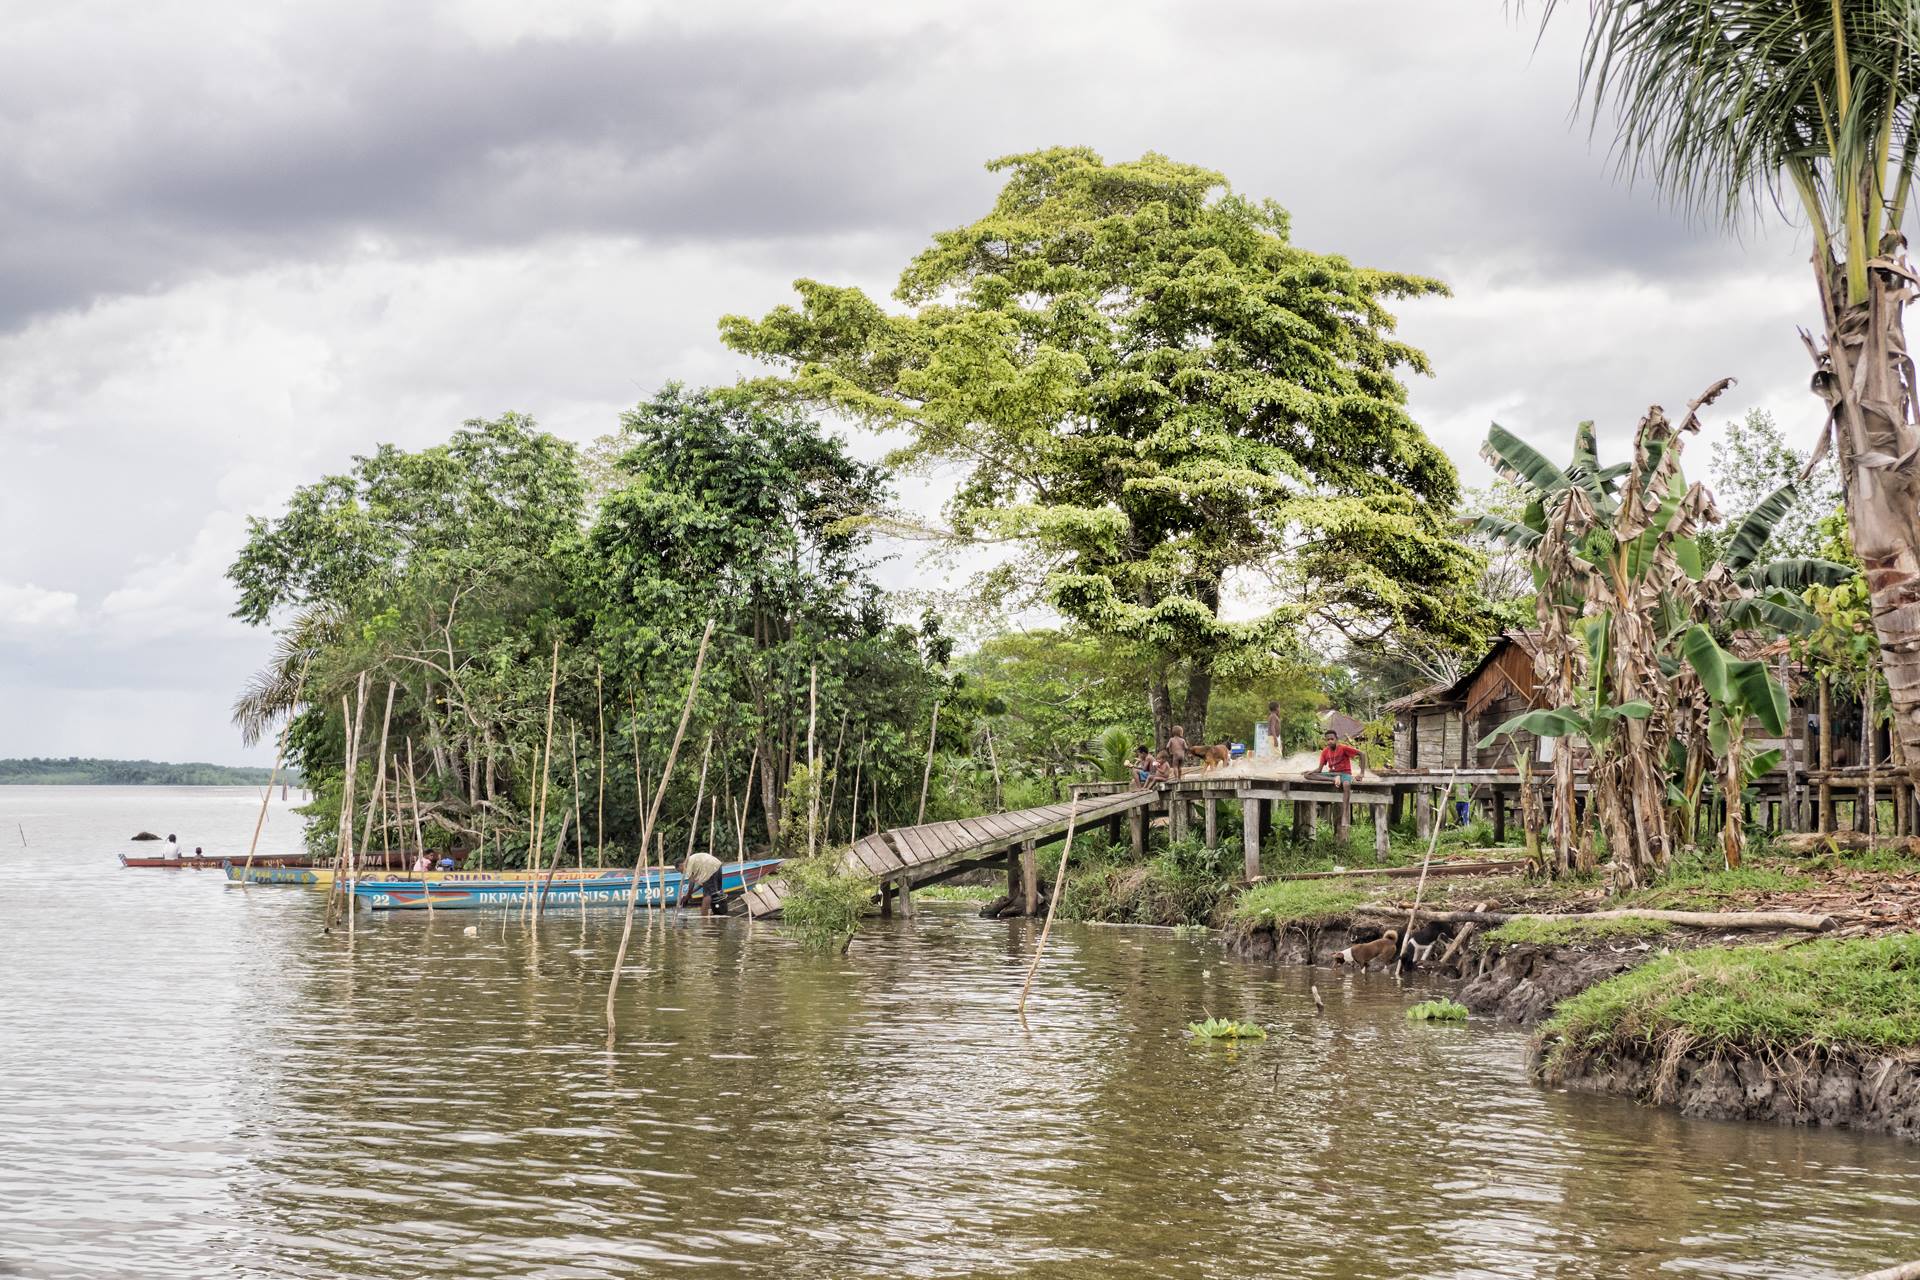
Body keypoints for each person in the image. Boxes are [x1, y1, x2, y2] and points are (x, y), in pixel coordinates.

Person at [679, 849, 726, 915]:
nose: (681, 873)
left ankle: (704, 916)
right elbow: (703, 884)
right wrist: (690, 893)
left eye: (679, 870)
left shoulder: (688, 864)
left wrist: (687, 896)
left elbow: (691, 883)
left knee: (707, 894)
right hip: (717, 864)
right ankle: (720, 910)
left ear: (681, 865)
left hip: (709, 867)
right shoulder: (696, 866)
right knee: (716, 892)